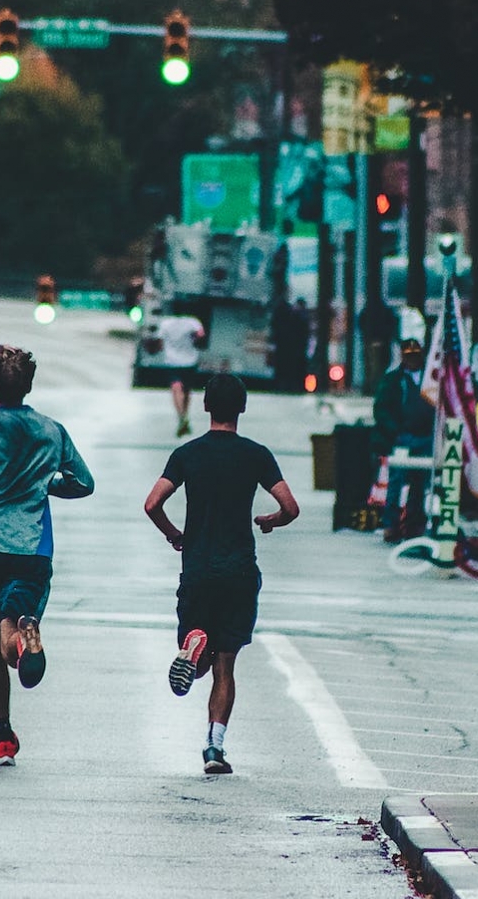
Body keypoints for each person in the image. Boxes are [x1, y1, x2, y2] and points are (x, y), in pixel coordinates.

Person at [0, 344, 94, 767]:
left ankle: (3, 736)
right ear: (28, 385)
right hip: (32, 549)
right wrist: (45, 484)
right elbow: (83, 482)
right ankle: (26, 633)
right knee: (14, 622)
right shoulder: (51, 430)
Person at [143, 373, 299, 775]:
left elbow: (152, 503)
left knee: (201, 659)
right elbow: (290, 507)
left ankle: (195, 648)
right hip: (238, 572)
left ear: (206, 407)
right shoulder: (256, 455)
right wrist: (270, 520)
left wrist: (175, 534)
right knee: (225, 667)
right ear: (242, 409)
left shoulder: (187, 454)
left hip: (197, 569)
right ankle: (214, 748)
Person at [371, 337, 436, 544]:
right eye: (409, 357)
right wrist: (394, 432)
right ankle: (390, 524)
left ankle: (414, 524)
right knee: (396, 481)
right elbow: (381, 408)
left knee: (419, 482)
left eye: (416, 356)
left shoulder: (432, 378)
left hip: (425, 437)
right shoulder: (393, 379)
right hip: (402, 437)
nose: (412, 361)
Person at [154, 310, 206, 436]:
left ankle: (181, 417)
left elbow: (159, 342)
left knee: (176, 388)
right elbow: (201, 334)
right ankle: (184, 416)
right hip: (190, 361)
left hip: (172, 361)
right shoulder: (193, 322)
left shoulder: (165, 323)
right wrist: (193, 339)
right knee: (187, 391)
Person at [271, 296, 310, 393]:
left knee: (285, 368)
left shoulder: (289, 317)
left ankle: (284, 385)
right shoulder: (302, 317)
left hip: (288, 348)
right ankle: (295, 386)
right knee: (296, 369)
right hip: (298, 350)